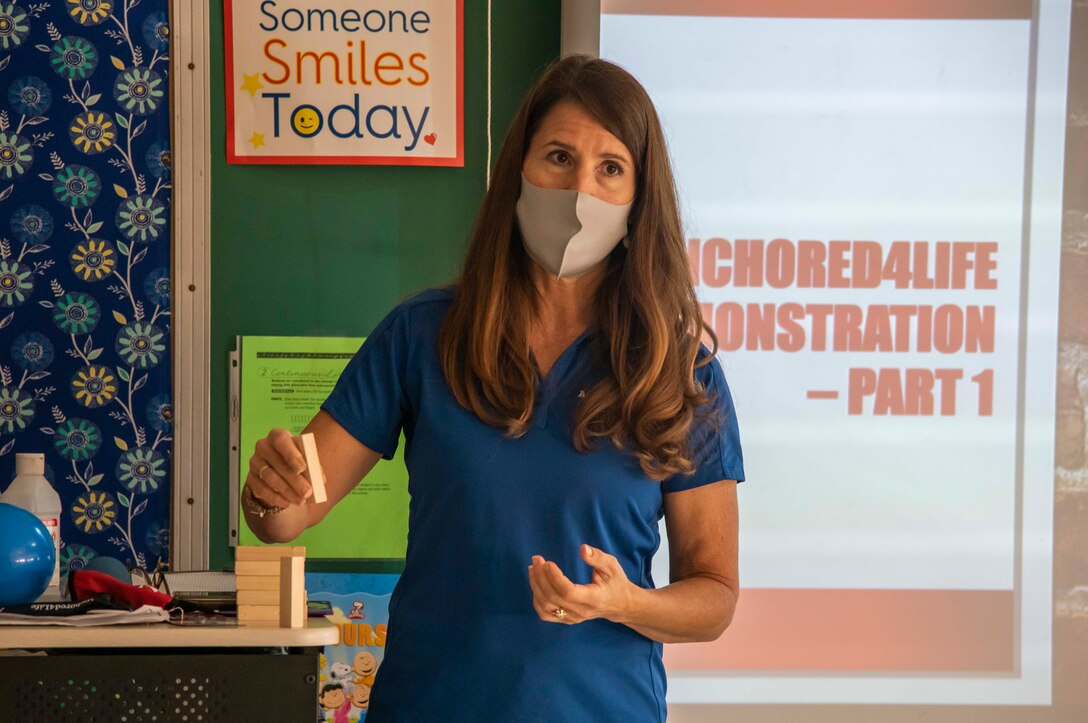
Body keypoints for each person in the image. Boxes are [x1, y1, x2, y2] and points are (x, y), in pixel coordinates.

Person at [243, 55, 745, 722]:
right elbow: (284, 516)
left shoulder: (679, 371)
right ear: (517, 171)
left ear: (639, 197)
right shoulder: (421, 336)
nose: (580, 189)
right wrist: (268, 490)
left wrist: (624, 602)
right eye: (559, 157)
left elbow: (714, 597)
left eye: (610, 168)